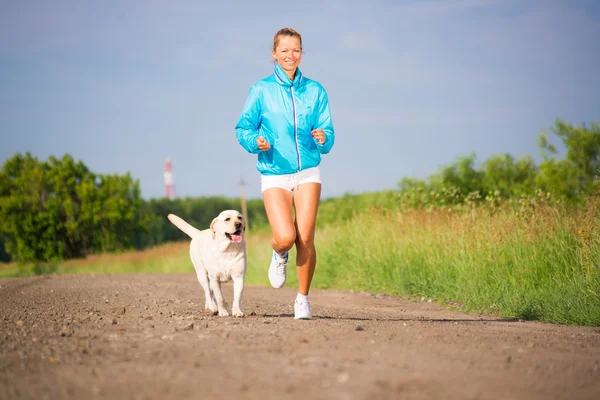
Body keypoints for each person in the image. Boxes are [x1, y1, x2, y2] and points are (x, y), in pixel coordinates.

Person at [235, 27, 335, 320]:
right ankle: (279, 254)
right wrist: (256, 142)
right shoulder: (261, 90)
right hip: (275, 172)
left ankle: (302, 300)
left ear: (301, 53)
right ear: (274, 54)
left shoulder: (315, 90)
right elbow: (243, 128)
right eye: (285, 51)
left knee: (305, 238)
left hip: (307, 171)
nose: (291, 56)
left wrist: (322, 137)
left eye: (296, 50)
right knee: (285, 236)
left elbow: (328, 133)